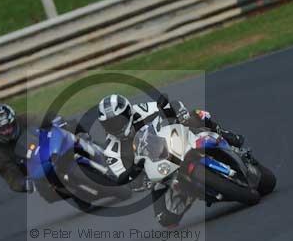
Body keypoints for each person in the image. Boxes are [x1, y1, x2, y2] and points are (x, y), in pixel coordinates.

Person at [97, 93, 246, 227]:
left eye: (117, 121)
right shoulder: (111, 150)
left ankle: (226, 135)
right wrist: (139, 178)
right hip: (157, 172)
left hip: (172, 144)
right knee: (165, 219)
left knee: (194, 115)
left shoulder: (142, 110)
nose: (114, 127)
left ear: (128, 112)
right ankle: (189, 194)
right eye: (108, 124)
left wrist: (176, 112)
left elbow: (172, 105)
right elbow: (124, 178)